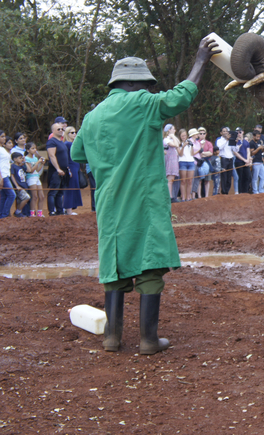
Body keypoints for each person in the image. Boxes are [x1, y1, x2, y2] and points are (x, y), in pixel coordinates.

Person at [71, 38, 219, 355]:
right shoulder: (141, 103)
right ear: (136, 84)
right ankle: (149, 340)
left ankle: (112, 337)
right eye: (146, 85)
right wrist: (200, 61)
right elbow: (180, 98)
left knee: (115, 261)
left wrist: (97, 171)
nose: (149, 90)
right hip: (144, 199)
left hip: (109, 203)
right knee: (150, 263)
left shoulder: (92, 116)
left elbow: (77, 151)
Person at [46, 123, 70, 215]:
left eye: (62, 129)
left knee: (60, 192)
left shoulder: (61, 141)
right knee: (53, 192)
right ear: (53, 131)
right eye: (58, 129)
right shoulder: (52, 142)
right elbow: (52, 156)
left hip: (64, 170)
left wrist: (67, 168)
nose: (61, 131)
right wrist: (58, 169)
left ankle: (60, 211)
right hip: (56, 171)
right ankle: (52, 211)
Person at [60, 126, 82, 215]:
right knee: (70, 188)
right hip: (71, 167)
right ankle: (68, 210)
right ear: (67, 134)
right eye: (72, 132)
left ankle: (69, 208)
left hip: (75, 167)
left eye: (75, 132)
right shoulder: (68, 144)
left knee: (73, 187)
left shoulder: (70, 143)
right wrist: (68, 169)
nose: (74, 134)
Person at [24, 142, 45, 217]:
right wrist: (38, 162)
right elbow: (31, 170)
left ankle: (40, 213)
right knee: (34, 196)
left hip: (36, 177)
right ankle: (32, 214)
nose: (35, 150)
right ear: (28, 150)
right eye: (32, 148)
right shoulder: (26, 159)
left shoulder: (35, 158)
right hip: (31, 178)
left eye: (35, 148)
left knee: (41, 196)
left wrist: (42, 164)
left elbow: (37, 170)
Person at [0, 131, 17, 219]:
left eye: (4, 136)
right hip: (2, 175)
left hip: (6, 174)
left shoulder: (2, 148)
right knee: (12, 195)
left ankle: (2, 215)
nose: (4, 138)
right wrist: (0, 177)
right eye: (2, 136)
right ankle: (4, 214)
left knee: (4, 196)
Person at [177, 128, 195, 202]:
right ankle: (183, 197)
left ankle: (188, 197)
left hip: (191, 162)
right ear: (180, 136)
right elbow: (180, 154)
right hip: (182, 162)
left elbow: (192, 154)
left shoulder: (189, 142)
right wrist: (183, 146)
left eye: (185, 135)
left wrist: (191, 145)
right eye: (182, 136)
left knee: (190, 181)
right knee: (183, 181)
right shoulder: (178, 143)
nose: (184, 137)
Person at [163, 124, 180, 201]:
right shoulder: (166, 139)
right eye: (173, 129)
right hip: (170, 160)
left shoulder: (170, 138)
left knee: (171, 179)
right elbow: (176, 145)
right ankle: (169, 197)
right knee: (170, 179)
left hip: (173, 159)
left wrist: (173, 136)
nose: (175, 130)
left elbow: (178, 143)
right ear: (169, 130)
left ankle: (171, 196)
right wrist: (172, 136)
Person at [10, 152, 31, 217]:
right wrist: (17, 185)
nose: (21, 159)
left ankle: (19, 213)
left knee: (20, 200)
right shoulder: (13, 166)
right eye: (20, 158)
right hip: (19, 186)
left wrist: (25, 162)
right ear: (15, 159)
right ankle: (18, 211)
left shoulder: (21, 166)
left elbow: (29, 170)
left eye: (22, 158)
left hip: (24, 185)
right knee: (26, 197)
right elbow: (12, 176)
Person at [216, 127, 234, 195]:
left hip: (230, 159)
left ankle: (227, 191)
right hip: (224, 159)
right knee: (224, 176)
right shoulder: (219, 140)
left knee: (229, 177)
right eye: (224, 131)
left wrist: (236, 143)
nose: (225, 132)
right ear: (221, 133)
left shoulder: (230, 139)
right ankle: (223, 191)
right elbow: (219, 148)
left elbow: (235, 150)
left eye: (226, 131)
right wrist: (226, 140)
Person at [233, 129, 251, 194]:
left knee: (248, 176)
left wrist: (248, 160)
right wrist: (244, 160)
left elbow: (248, 151)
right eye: (237, 132)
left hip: (246, 161)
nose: (239, 134)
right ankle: (240, 192)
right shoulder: (235, 142)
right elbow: (235, 153)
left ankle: (245, 191)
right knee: (240, 177)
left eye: (240, 132)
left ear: (243, 132)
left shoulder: (246, 142)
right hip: (238, 161)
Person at [197, 127, 214, 197]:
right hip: (199, 162)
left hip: (207, 162)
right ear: (198, 134)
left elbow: (211, 153)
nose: (202, 135)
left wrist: (202, 153)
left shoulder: (209, 143)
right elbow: (196, 153)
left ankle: (206, 196)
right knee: (199, 180)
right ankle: (199, 196)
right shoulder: (196, 143)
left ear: (206, 134)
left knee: (207, 180)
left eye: (204, 133)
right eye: (200, 133)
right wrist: (204, 153)